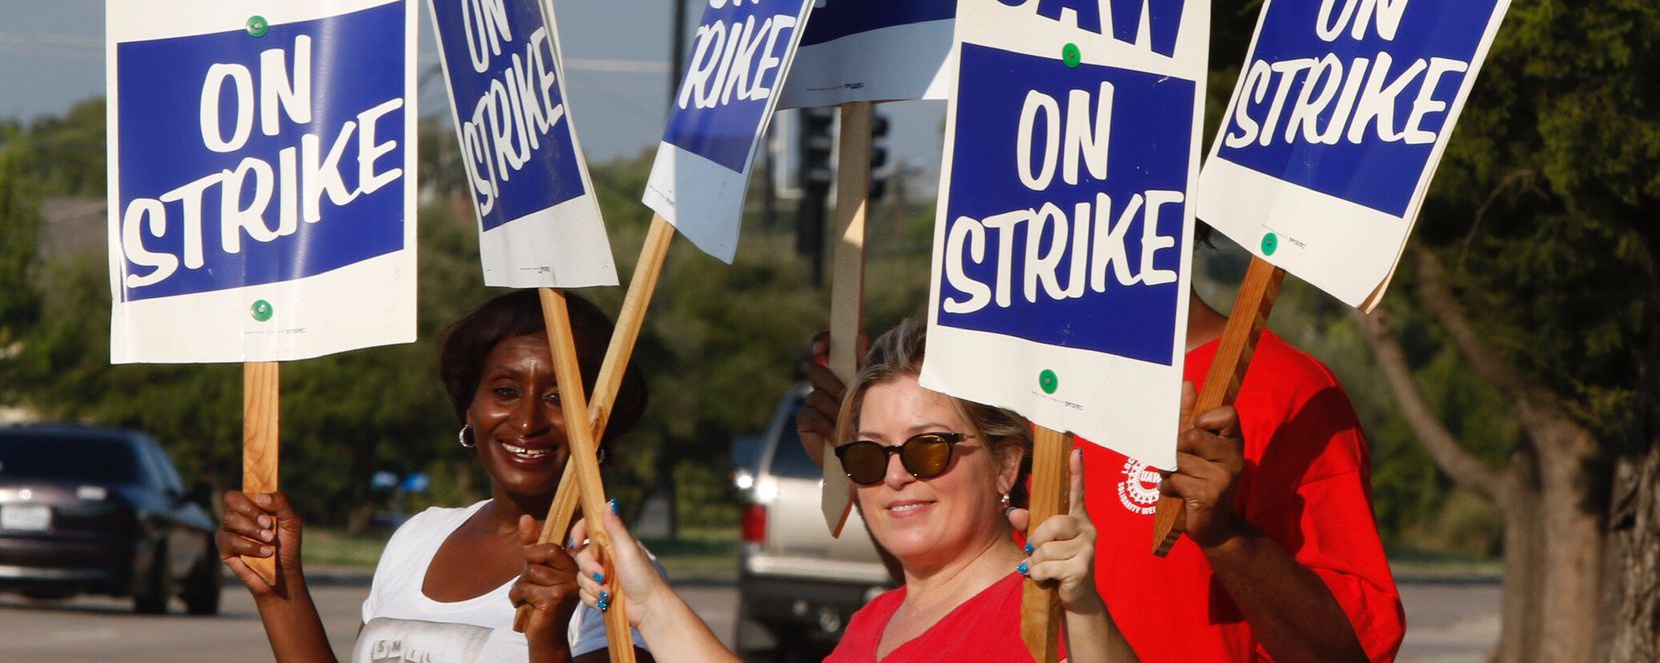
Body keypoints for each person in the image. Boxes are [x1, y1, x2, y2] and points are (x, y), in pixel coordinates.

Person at [797, 290, 1407, 662]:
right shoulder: (1017, 386)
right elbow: (960, 601)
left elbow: (1349, 652)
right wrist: (880, 461)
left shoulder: (1286, 389)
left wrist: (1225, 535)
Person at [542, 318, 1137, 662]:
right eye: (869, 455)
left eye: (929, 447)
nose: (896, 475)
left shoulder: (1041, 614)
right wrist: (645, 600)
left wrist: (1083, 609)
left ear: (1006, 465)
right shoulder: (875, 623)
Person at [215, 289, 655, 663]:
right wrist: (280, 586)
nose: (527, 421)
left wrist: (550, 642)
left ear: (602, 421)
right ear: (471, 408)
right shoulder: (418, 536)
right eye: (505, 391)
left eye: (559, 397)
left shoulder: (612, 573)